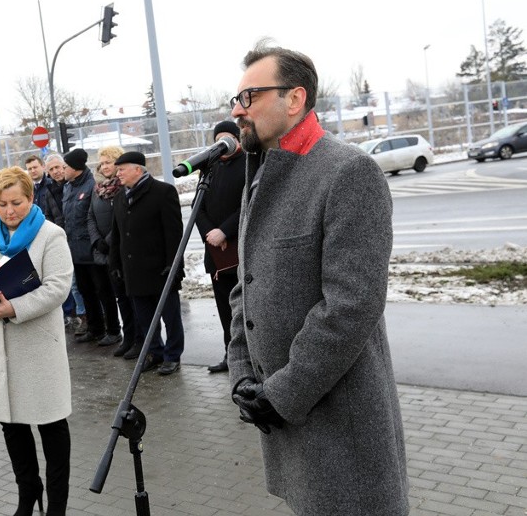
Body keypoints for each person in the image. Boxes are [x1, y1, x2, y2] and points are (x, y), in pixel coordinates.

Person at [226, 40, 408, 515]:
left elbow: (352, 306)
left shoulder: (349, 172)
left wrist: (282, 393)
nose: (238, 111)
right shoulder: (263, 175)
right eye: (235, 99)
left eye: (249, 97)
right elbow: (246, 285)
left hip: (340, 419)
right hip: (287, 417)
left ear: (294, 98)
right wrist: (243, 372)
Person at [0, 167, 73, 516]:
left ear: (31, 198)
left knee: (51, 425)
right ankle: (28, 491)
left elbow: (57, 288)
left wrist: (14, 307)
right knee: (12, 425)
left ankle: (57, 505)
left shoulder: (51, 235)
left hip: (37, 346)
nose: (10, 211)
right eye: (3, 203)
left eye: (17, 202)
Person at [109, 151, 185, 375]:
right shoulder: (120, 197)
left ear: (138, 170)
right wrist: (115, 264)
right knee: (145, 318)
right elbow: (117, 235)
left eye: (122, 169)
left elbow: (174, 233)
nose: (118, 174)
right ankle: (155, 352)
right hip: (133, 270)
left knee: (170, 317)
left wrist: (174, 265)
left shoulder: (162, 192)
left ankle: (173, 356)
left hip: (160, 269)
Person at [194, 121, 247, 373]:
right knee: (225, 310)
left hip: (241, 252)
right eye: (218, 139)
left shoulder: (249, 163)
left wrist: (224, 230)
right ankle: (231, 357)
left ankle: (251, 361)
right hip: (216, 255)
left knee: (244, 311)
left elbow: (249, 203)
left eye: (227, 138)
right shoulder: (210, 167)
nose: (222, 143)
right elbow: (198, 206)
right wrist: (210, 234)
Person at [62, 148, 121, 345]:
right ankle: (95, 328)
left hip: (93, 248)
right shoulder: (68, 187)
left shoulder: (91, 184)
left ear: (76, 168)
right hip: (75, 250)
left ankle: (113, 329)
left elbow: (92, 217)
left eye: (65, 166)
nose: (63, 170)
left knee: (104, 291)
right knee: (85, 290)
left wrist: (98, 242)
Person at [87, 145, 136, 354]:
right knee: (119, 298)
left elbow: (123, 219)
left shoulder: (124, 187)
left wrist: (108, 241)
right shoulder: (98, 188)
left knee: (130, 297)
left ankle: (137, 339)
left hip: (121, 249)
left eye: (109, 162)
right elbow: (90, 216)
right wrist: (97, 240)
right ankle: (127, 337)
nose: (104, 166)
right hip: (104, 252)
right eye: (102, 162)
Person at [45, 153, 83, 331]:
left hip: (79, 239)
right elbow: (50, 216)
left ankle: (89, 317)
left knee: (83, 283)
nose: (56, 171)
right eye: (51, 169)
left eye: (58, 167)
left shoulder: (74, 185)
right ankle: (76, 315)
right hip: (61, 240)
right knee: (71, 283)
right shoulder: (49, 190)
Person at [25, 154, 62, 226]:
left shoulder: (52, 185)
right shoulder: (26, 189)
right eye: (30, 169)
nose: (33, 171)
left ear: (43, 167)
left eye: (35, 167)